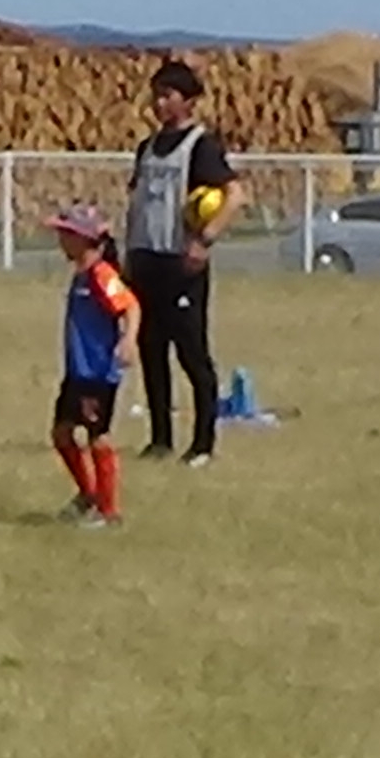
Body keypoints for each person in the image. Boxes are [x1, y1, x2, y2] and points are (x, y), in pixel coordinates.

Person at [123, 58, 237, 464]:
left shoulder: (201, 146)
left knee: (192, 354)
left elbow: (234, 195)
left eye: (167, 95)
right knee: (151, 352)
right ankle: (160, 439)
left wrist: (205, 239)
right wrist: (128, 255)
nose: (158, 103)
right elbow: (136, 202)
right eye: (155, 95)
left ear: (188, 101)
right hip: (146, 260)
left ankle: (203, 444)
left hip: (181, 264)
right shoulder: (147, 148)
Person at [47, 204, 142, 528]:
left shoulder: (102, 275)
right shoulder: (81, 275)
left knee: (98, 437)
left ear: (82, 239)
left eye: (66, 234)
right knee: (62, 433)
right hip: (78, 372)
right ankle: (88, 494)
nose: (60, 240)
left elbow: (130, 305)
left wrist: (128, 339)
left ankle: (108, 510)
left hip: (98, 373)